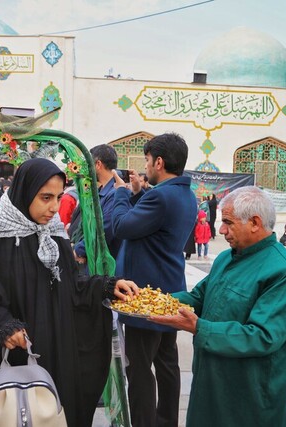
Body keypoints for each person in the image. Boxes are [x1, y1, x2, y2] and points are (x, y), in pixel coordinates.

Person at [0, 158, 140, 427]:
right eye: (45, 197)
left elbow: (71, 288)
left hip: (55, 351)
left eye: (57, 197)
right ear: (25, 192)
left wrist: (105, 285)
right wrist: (4, 326)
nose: (54, 207)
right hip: (17, 357)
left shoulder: (54, 235)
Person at [150, 186, 286, 427]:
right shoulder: (227, 257)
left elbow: (263, 336)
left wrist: (199, 328)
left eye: (227, 222)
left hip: (249, 394)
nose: (221, 229)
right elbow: (199, 297)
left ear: (255, 223)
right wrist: (151, 300)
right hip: (211, 381)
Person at [111, 132, 197, 427]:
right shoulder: (185, 193)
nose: (145, 167)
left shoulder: (160, 196)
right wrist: (138, 194)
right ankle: (166, 421)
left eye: (147, 160)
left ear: (159, 162)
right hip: (170, 289)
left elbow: (122, 225)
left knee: (139, 367)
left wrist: (122, 192)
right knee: (166, 363)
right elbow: (152, 226)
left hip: (145, 297)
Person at [74, 144, 122, 265]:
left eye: (89, 164)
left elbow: (103, 231)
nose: (86, 169)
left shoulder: (115, 193)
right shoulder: (103, 191)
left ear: (98, 164)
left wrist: (79, 250)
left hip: (107, 265)